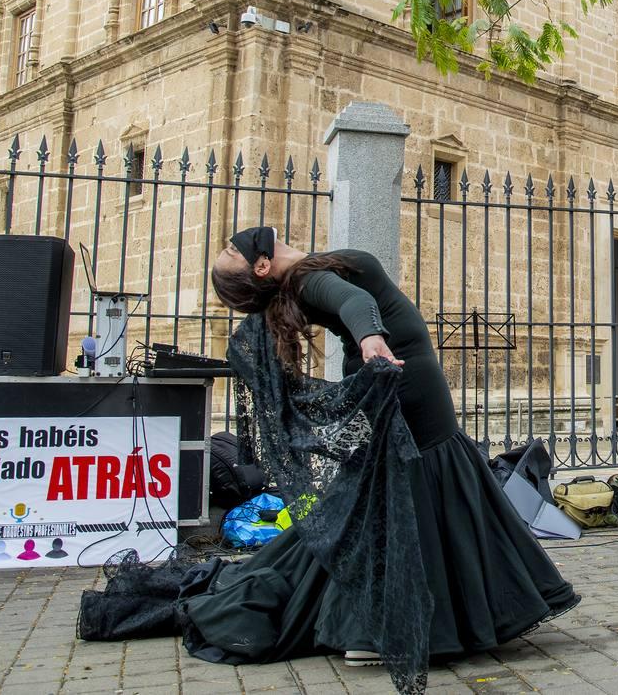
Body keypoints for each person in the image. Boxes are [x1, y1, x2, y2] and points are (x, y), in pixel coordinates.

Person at [79, 230, 578, 694]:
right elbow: (355, 300)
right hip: (399, 376)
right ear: (261, 267)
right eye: (233, 252)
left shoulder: (305, 273)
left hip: (403, 378)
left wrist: (371, 340)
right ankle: (367, 627)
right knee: (403, 496)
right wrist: (371, 338)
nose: (234, 241)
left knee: (394, 497)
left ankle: (380, 619)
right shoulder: (306, 279)